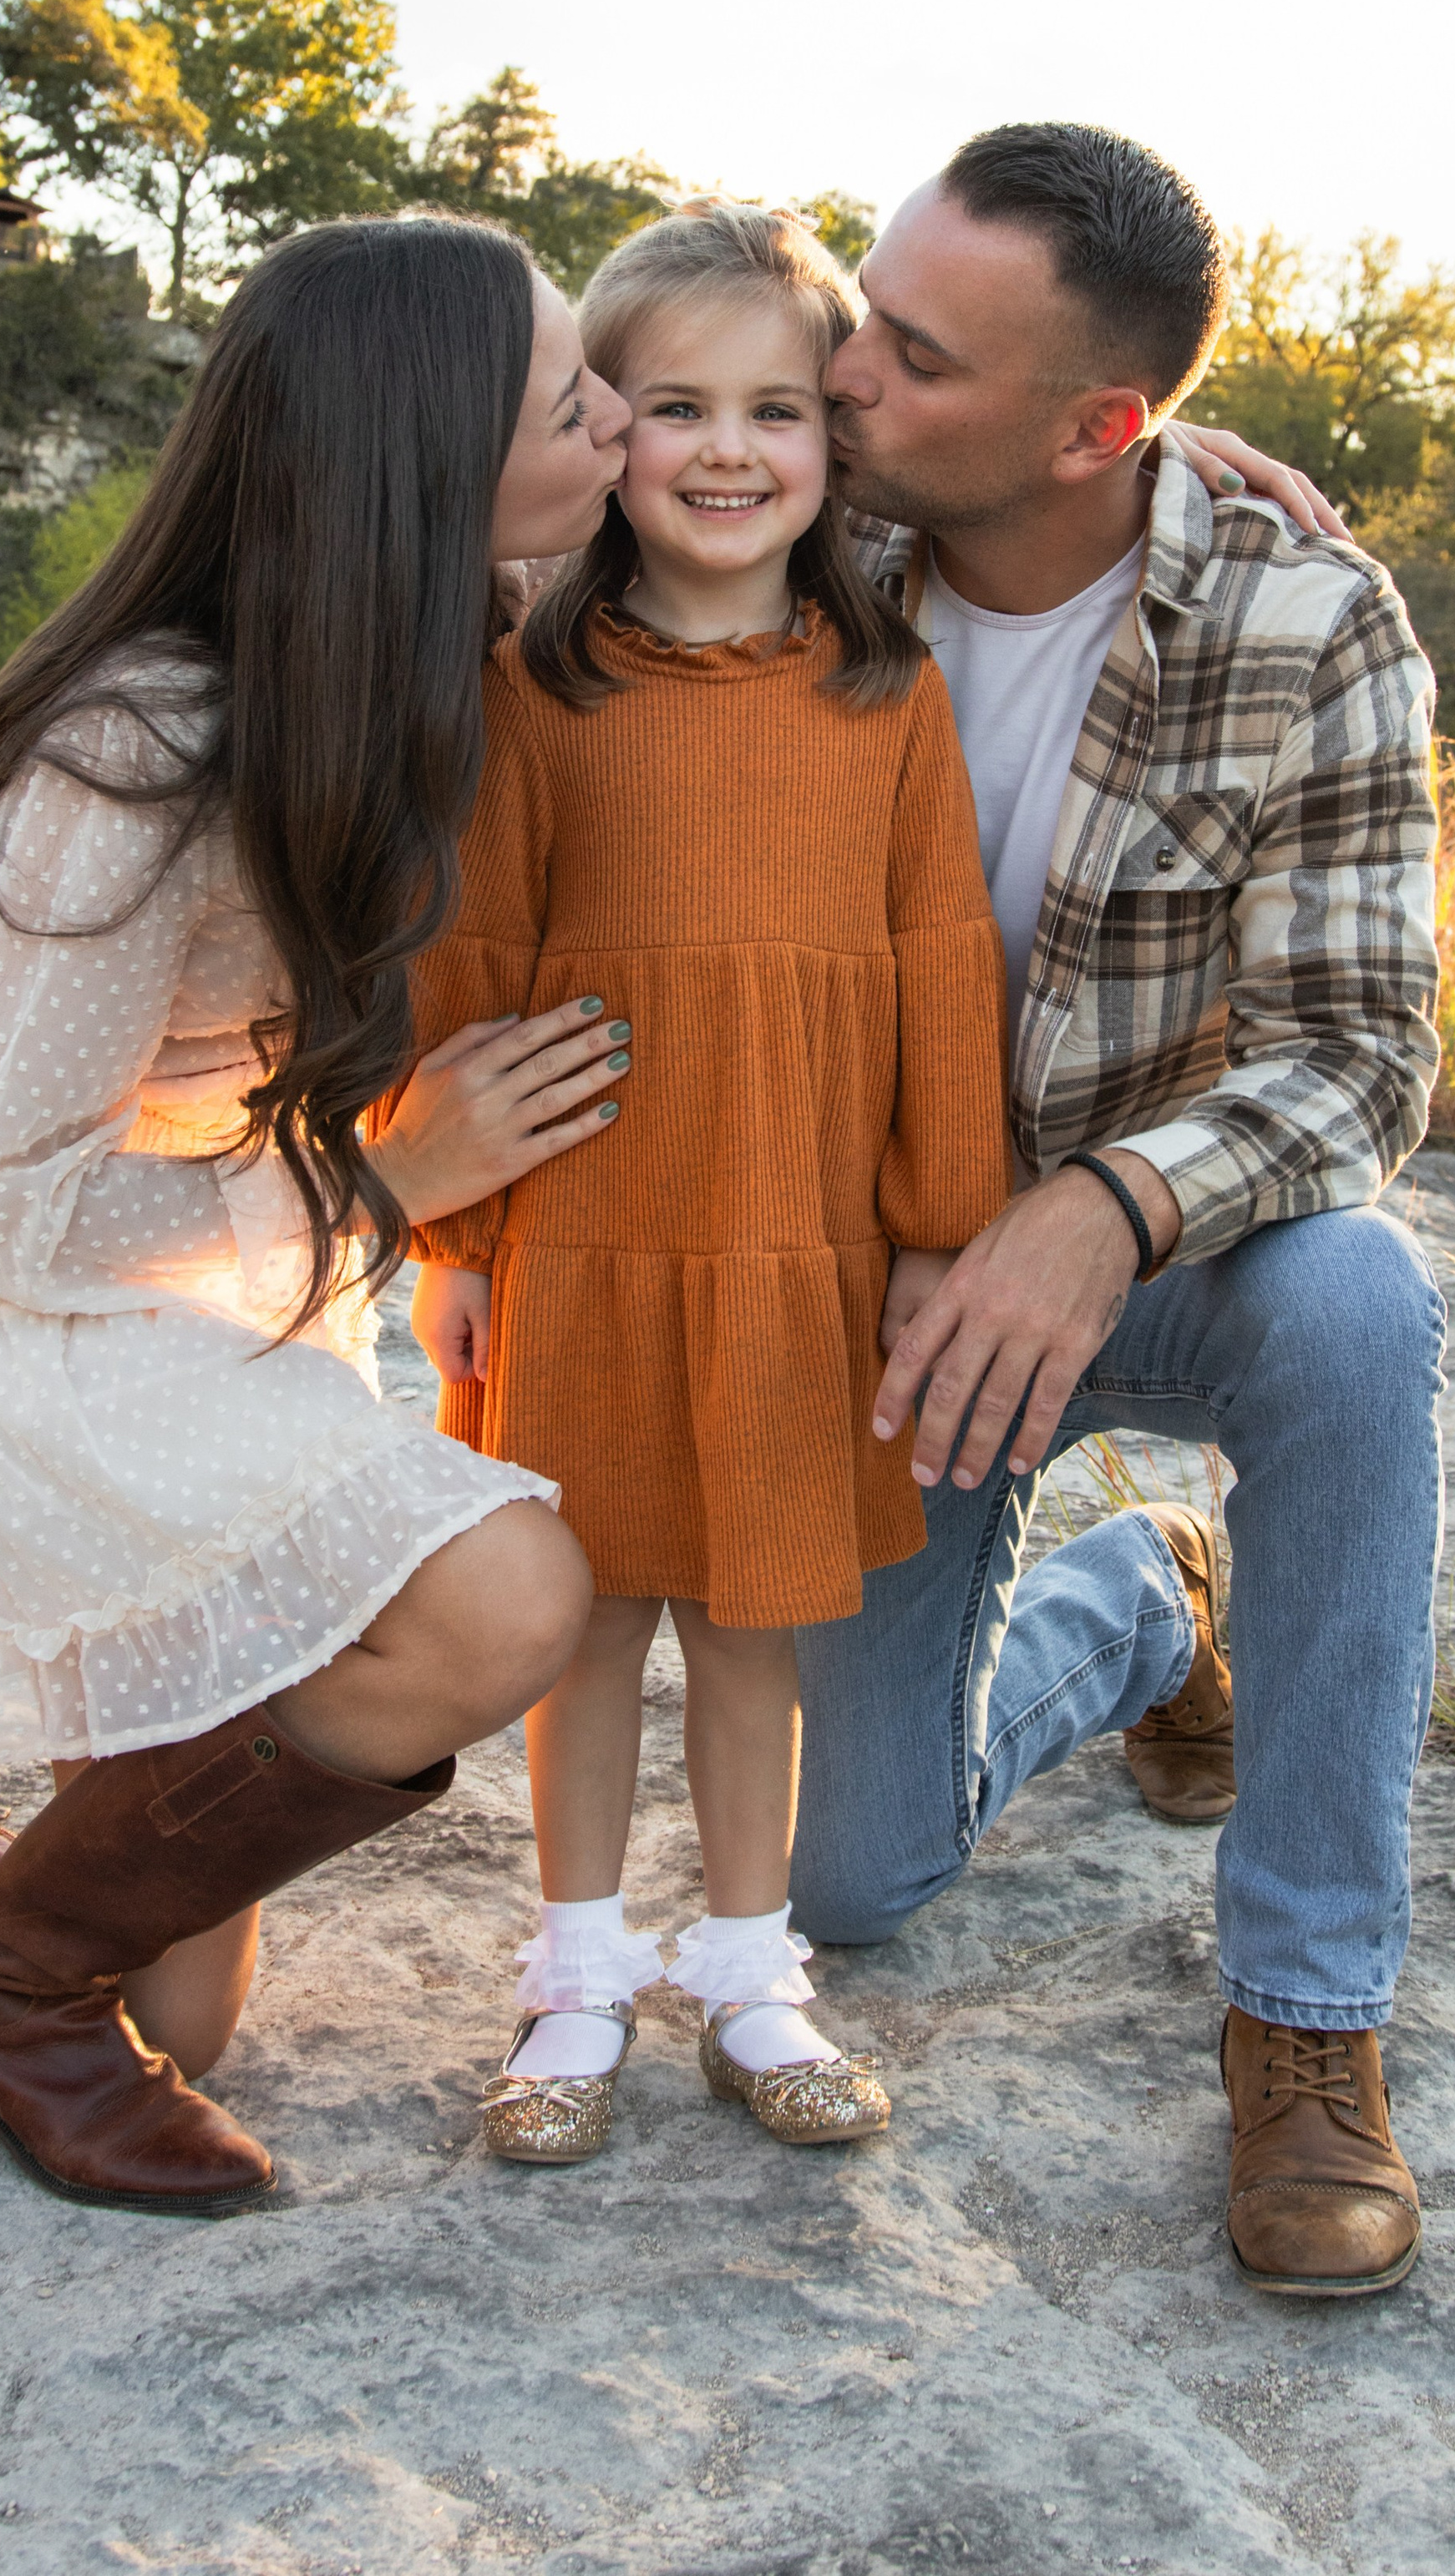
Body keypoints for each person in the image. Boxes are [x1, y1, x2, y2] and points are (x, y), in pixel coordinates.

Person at [0, 213, 646, 2217]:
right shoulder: (144, 749)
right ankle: (10, 1990)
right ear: (426, 458)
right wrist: (379, 1181)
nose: (620, 415)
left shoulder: (456, 615)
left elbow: (798, 498)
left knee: (176, 2021)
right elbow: (3, 1208)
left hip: (207, 1265)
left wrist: (1175, 471)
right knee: (501, 1587)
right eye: (574, 395)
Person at [786, 123, 1442, 2300]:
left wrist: (1104, 1206)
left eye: (911, 354)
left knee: (1356, 1307)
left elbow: (1362, 1056)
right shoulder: (781, 524)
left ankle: (1311, 2024)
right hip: (874, 1300)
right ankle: (1153, 1607)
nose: (844, 376)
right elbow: (562, 420)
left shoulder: (1304, 612)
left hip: (1145, 1273)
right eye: (860, 314)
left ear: (1101, 425)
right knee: (849, 1881)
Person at [398, 206, 1013, 2163]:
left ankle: (748, 1973)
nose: (727, 450)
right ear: (602, 430)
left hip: (794, 1249)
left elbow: (939, 970)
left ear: (833, 444)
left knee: (755, 1630)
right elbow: (471, 968)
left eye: (774, 407)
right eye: (672, 405)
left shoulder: (885, 690)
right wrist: (460, 1244)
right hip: (580, 1240)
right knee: (579, 1626)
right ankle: (574, 1976)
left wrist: (933, 1238)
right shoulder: (535, 688)